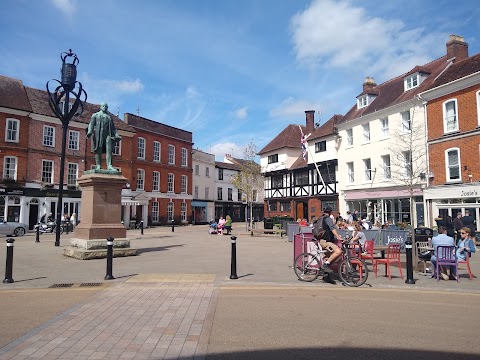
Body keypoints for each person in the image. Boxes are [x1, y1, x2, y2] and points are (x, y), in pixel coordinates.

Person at [86, 102, 122, 171]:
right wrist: (90, 131)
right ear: (100, 107)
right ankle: (98, 165)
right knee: (98, 150)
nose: (105, 107)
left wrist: (116, 135)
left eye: (106, 106)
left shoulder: (109, 117)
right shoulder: (95, 115)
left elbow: (113, 128)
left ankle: (109, 165)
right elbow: (91, 124)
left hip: (108, 135)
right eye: (104, 106)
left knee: (109, 150)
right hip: (98, 135)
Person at [317, 206, 343, 275]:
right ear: (330, 212)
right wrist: (338, 237)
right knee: (338, 251)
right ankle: (325, 265)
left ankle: (326, 276)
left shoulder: (322, 218)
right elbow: (332, 228)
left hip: (324, 241)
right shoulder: (328, 219)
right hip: (326, 241)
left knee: (328, 259)